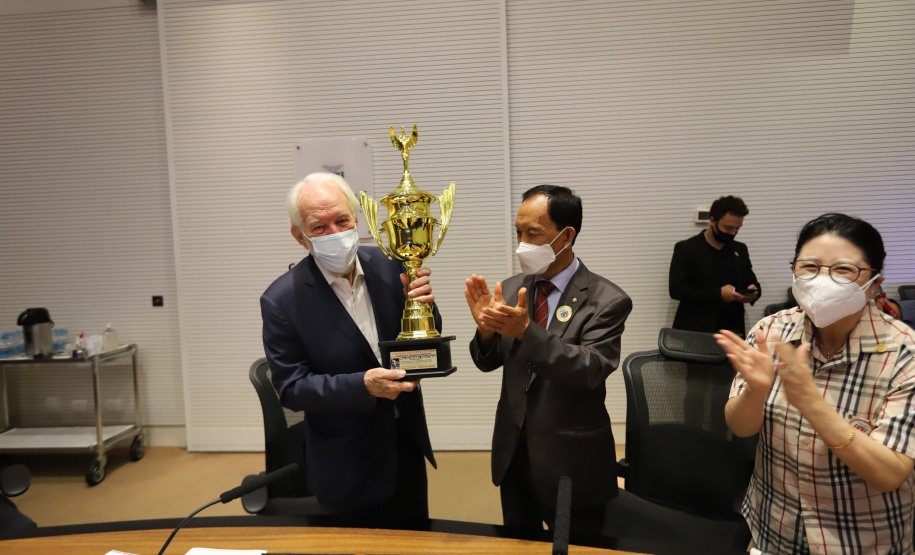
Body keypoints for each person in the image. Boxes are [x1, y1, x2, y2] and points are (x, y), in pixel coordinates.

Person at [717, 213, 915, 554]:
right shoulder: (771, 330)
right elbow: (740, 426)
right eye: (809, 267)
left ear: (875, 281)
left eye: (843, 270)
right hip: (773, 529)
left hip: (863, 541)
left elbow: (889, 474)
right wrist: (756, 390)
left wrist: (812, 403)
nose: (822, 280)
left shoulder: (903, 353)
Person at [260, 172, 439, 525]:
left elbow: (424, 341)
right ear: (300, 236)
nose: (335, 233)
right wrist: (362, 385)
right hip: (346, 460)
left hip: (405, 443)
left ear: (356, 218)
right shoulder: (282, 301)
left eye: (342, 220)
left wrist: (426, 310)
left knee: (415, 543)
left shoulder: (392, 266)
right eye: (319, 226)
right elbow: (291, 388)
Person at [465, 185, 632, 536]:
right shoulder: (512, 288)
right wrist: (485, 332)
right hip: (514, 454)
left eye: (533, 234)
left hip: (571, 459)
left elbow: (590, 369)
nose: (521, 243)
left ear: (566, 235)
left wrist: (527, 332)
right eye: (518, 232)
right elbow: (489, 361)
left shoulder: (607, 300)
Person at [669, 195, 761, 336]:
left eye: (738, 229)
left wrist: (753, 292)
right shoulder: (686, 248)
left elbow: (751, 280)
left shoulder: (740, 249)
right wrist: (718, 295)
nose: (733, 233)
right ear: (712, 221)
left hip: (733, 331)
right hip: (695, 332)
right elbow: (676, 290)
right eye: (728, 228)